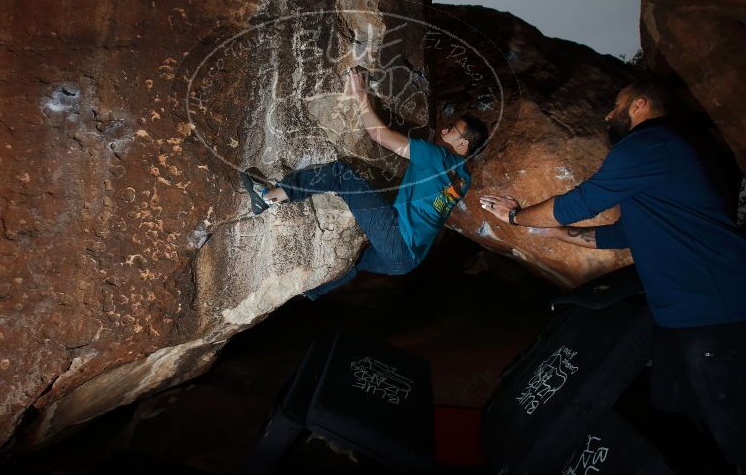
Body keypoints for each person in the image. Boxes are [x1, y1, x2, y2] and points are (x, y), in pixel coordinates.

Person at [479, 81, 746, 470]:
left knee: (731, 430)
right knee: (675, 424)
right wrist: (557, 233)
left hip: (715, 313)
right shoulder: (661, 153)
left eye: (616, 106)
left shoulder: (648, 144)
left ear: (639, 104)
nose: (607, 115)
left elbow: (581, 203)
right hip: (677, 321)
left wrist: (516, 216)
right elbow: (621, 233)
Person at [241, 67, 486, 299]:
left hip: (397, 238)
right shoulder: (463, 179)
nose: (446, 128)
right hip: (405, 262)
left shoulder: (436, 156)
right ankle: (312, 292)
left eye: (453, 128)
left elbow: (378, 134)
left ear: (463, 144)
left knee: (340, 175)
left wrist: (360, 96)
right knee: (354, 263)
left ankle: (270, 197)